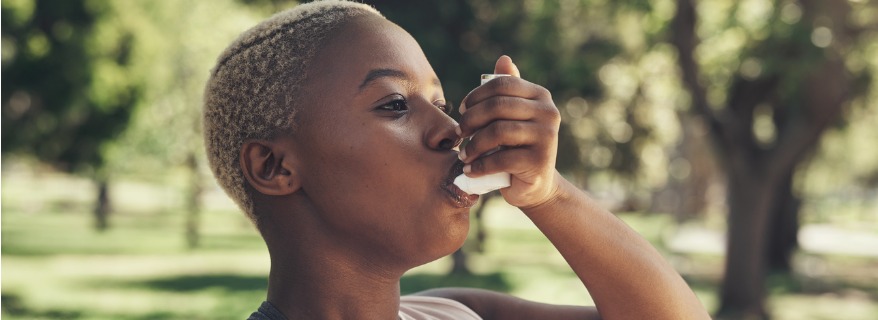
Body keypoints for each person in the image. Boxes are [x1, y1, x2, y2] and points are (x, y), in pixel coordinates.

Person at [203, 1, 710, 319]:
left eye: (440, 105)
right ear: (275, 168)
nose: (451, 130)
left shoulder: (460, 312)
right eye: (395, 105)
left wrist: (547, 193)